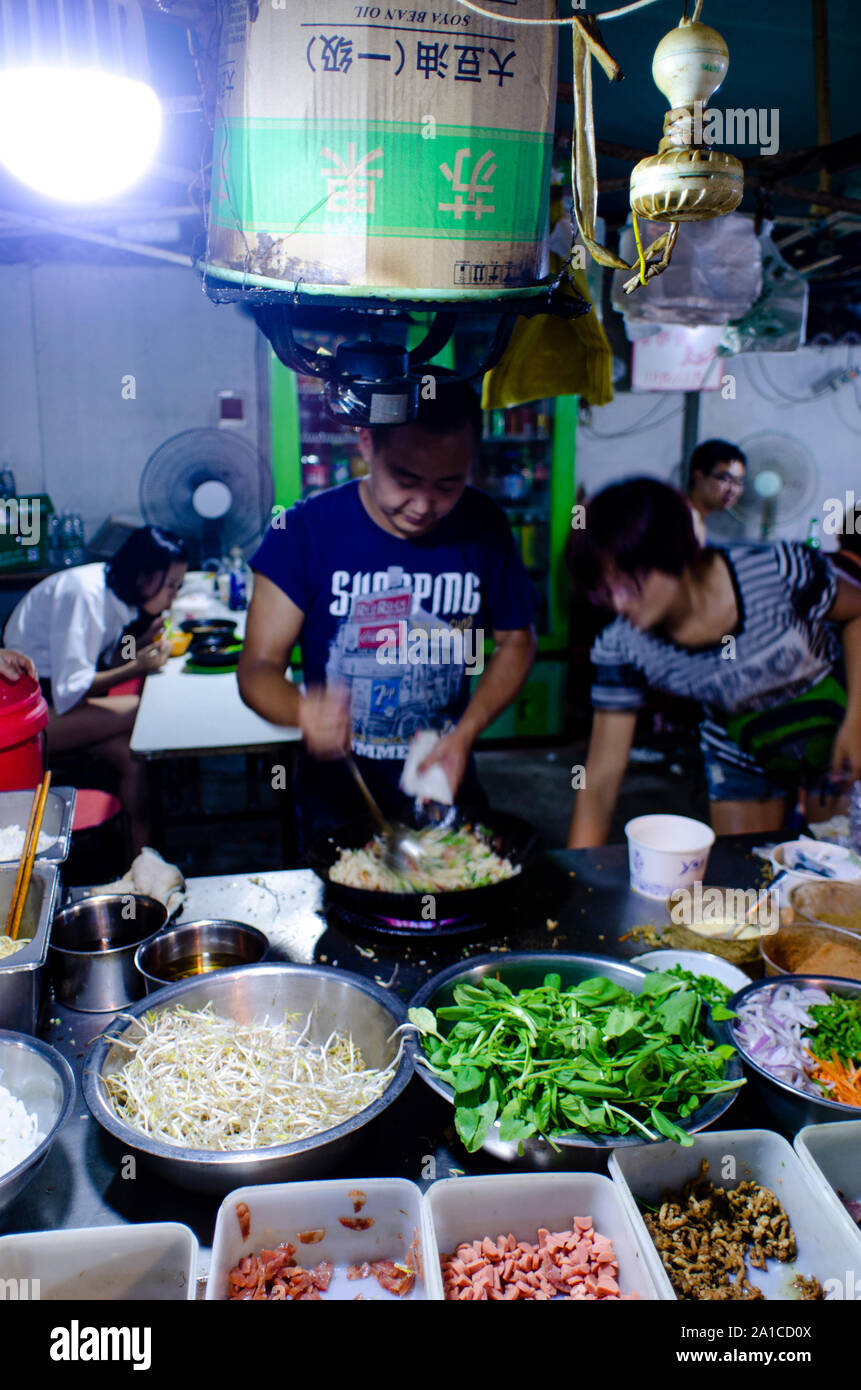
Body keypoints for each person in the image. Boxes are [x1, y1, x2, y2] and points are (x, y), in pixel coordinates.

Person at [238, 376, 537, 856]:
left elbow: (516, 641)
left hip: (443, 788)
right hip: (337, 801)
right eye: (405, 479)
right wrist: (301, 709)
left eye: (448, 484)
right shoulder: (302, 532)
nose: (423, 506)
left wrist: (465, 734)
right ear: (366, 443)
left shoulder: (485, 525)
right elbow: (256, 669)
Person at [567, 478, 861, 847]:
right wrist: (574, 879)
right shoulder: (622, 646)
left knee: (839, 860)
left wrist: (856, 722)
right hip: (741, 748)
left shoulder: (777, 570)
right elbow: (601, 776)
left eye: (629, 583)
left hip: (837, 723)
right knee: (746, 873)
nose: (619, 603)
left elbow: (858, 613)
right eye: (604, 591)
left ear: (673, 552)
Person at [4, 525, 188, 851]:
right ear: (144, 576)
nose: (174, 594)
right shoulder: (83, 594)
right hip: (35, 719)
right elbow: (72, 689)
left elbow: (103, 661)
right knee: (147, 714)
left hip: (58, 704)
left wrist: (141, 644)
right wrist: (138, 666)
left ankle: (141, 864)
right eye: (171, 585)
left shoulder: (116, 592)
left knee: (133, 759)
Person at [685, 438, 746, 544]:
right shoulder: (679, 520)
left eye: (738, 482)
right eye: (725, 479)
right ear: (698, 477)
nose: (732, 490)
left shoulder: (698, 521)